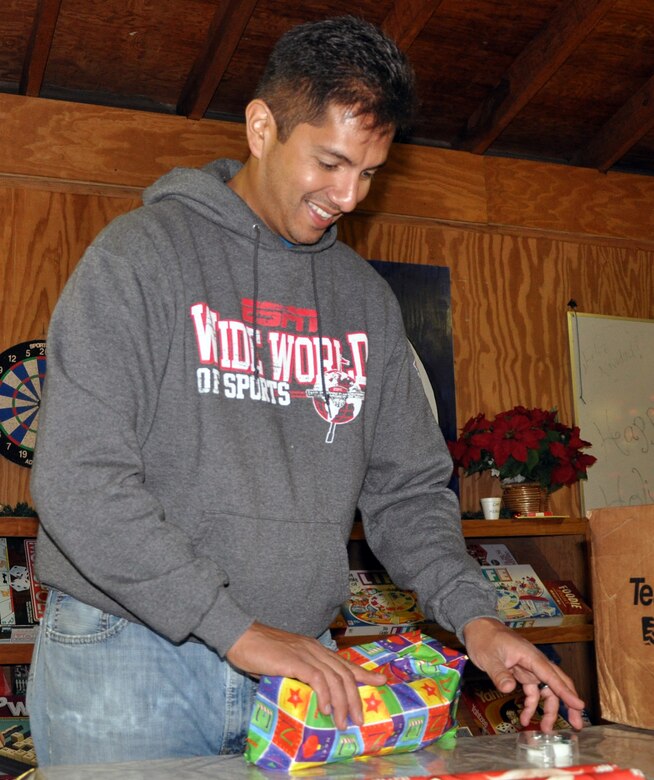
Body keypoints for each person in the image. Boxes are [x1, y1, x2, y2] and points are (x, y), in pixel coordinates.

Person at [28, 15, 585, 766]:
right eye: (329, 162)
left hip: (304, 670)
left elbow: (408, 492)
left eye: (368, 173)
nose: (349, 196)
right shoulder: (139, 256)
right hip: (130, 655)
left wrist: (476, 619)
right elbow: (79, 478)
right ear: (262, 127)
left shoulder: (364, 302)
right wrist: (234, 628)